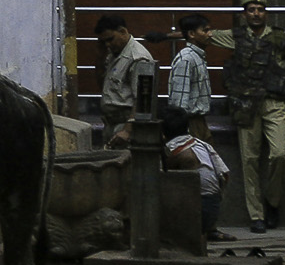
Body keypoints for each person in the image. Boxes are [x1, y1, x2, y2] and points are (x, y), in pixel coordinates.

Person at [206, 0, 285, 232]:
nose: (256, 13)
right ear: (244, 14)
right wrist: (166, 36)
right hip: (245, 104)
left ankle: (272, 203)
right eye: (251, 9)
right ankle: (256, 215)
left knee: (279, 154)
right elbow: (204, 36)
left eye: (260, 9)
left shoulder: (280, 36)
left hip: (273, 103)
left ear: (266, 13)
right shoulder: (236, 36)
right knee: (249, 161)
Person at [162, 105, 231, 242]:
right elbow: (225, 175)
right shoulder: (203, 144)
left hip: (195, 215)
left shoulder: (172, 151)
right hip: (212, 210)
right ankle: (210, 229)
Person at [95, 14, 151, 144]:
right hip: (111, 125)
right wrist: (99, 57)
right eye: (104, 42)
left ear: (123, 31)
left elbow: (142, 100)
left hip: (126, 127)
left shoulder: (137, 58)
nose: (108, 45)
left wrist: (127, 130)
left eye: (110, 39)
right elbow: (102, 85)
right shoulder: (114, 54)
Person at [167, 14, 213, 141]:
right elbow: (179, 101)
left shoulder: (197, 56)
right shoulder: (186, 59)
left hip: (199, 121)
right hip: (189, 124)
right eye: (205, 30)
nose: (210, 34)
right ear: (192, 34)